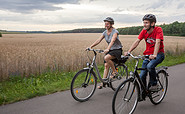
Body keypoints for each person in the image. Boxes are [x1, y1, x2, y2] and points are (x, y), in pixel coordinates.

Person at [124, 14, 165, 92]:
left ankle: (154, 84)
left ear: (152, 24)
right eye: (144, 22)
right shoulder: (144, 31)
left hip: (159, 54)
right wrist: (129, 51)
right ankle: (144, 91)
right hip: (147, 55)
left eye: (146, 23)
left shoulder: (158, 29)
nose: (144, 25)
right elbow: (137, 41)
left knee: (150, 66)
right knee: (142, 75)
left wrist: (155, 54)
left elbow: (158, 42)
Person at [87, 17, 123, 89]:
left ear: (111, 24)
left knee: (106, 58)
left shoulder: (115, 32)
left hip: (117, 50)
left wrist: (107, 49)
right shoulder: (104, 32)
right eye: (105, 24)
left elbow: (113, 40)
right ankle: (103, 82)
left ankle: (114, 72)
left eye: (107, 24)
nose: (106, 25)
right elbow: (99, 40)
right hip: (110, 50)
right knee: (106, 65)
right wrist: (90, 46)